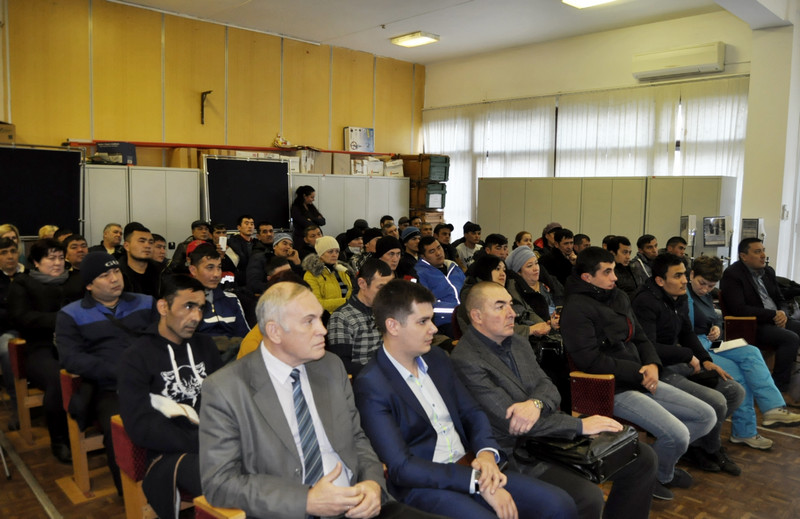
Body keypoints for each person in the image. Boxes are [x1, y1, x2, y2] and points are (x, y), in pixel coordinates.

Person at [199, 282, 440, 519]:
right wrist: (306, 500)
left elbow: (357, 439)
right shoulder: (226, 388)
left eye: (320, 318)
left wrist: (372, 484)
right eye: (309, 321)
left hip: (357, 504)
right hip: (291, 511)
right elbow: (219, 483)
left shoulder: (330, 366)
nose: (323, 330)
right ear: (275, 331)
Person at [354, 280, 579, 519]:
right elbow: (402, 466)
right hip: (425, 485)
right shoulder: (372, 384)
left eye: (431, 319)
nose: (433, 329)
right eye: (423, 321)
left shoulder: (437, 359)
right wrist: (476, 480)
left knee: (559, 504)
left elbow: (472, 412)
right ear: (393, 326)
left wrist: (486, 453)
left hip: (472, 464)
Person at [451, 282, 657, 519]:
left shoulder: (517, 341)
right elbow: (512, 423)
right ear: (477, 316)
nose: (512, 313)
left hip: (550, 434)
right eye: (500, 306)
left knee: (642, 457)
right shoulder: (466, 359)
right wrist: (579, 425)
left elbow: (548, 386)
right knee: (587, 497)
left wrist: (536, 403)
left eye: (510, 304)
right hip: (519, 452)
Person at [560, 247, 716, 500]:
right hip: (610, 387)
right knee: (677, 434)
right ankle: (654, 474)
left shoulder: (619, 296)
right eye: (607, 272)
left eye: (614, 270)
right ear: (587, 277)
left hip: (640, 376)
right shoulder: (575, 308)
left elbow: (641, 338)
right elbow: (590, 361)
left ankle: (653, 467)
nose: (615, 277)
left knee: (706, 416)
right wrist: (639, 372)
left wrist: (652, 364)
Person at [118, 275, 223, 519]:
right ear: (163, 307)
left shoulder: (205, 346)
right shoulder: (135, 357)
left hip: (215, 442)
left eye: (201, 308)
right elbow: (141, 425)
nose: (196, 317)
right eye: (188, 306)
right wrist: (203, 441)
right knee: (229, 482)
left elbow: (224, 399)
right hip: (168, 454)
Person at [632, 253, 744, 476]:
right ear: (660, 280)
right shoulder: (644, 302)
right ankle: (711, 449)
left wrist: (706, 360)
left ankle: (697, 446)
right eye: (678, 276)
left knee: (734, 391)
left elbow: (686, 332)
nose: (685, 280)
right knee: (717, 401)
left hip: (677, 362)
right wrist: (686, 355)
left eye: (684, 274)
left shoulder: (679, 297)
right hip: (657, 368)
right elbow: (648, 347)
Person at [56, 251, 158, 492]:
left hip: (155, 379)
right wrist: (118, 371)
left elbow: (163, 338)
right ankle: (132, 494)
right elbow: (71, 358)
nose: (114, 279)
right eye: (104, 275)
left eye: (116, 271)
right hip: (110, 387)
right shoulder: (71, 314)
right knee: (121, 428)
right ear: (89, 285)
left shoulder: (146, 303)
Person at [689, 256, 800, 450]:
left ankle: (773, 408)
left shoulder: (705, 296)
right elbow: (684, 331)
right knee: (739, 374)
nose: (705, 289)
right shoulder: (684, 296)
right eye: (702, 283)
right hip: (695, 346)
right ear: (691, 275)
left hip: (711, 342)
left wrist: (717, 328)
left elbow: (715, 318)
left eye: (710, 286)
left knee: (751, 352)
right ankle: (744, 432)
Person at [7, 239, 84, 463]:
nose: (57, 263)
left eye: (60, 258)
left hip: (75, 343)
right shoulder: (23, 283)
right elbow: (20, 317)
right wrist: (62, 319)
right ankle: (59, 440)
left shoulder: (75, 281)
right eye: (51, 258)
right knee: (58, 379)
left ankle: (89, 426)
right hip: (39, 347)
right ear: (36, 262)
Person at [720, 237, 800, 400]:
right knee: (790, 338)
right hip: (752, 325)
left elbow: (780, 299)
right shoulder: (732, 275)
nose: (763, 255)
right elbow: (739, 309)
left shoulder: (768, 271)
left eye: (763, 251)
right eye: (757, 252)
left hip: (775, 319)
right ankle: (778, 389)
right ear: (743, 256)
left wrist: (782, 313)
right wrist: (773, 315)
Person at [328, 259, 394, 376]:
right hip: (363, 378)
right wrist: (378, 372)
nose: (387, 293)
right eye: (380, 287)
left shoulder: (389, 311)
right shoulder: (341, 317)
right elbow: (341, 363)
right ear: (362, 284)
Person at [187, 242, 250, 360]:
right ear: (193, 270)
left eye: (219, 267)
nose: (217, 274)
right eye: (210, 268)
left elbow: (246, 337)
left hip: (234, 360)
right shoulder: (185, 303)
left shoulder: (231, 299)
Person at [415, 236, 466, 338]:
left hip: (465, 317)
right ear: (423, 257)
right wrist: (457, 311)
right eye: (432, 251)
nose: (438, 253)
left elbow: (468, 291)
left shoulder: (454, 268)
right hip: (443, 322)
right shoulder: (420, 273)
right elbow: (426, 304)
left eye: (439, 248)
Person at [0, 237, 24, 430]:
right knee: (7, 350)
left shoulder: (28, 274)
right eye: (4, 253)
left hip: (32, 328)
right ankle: (18, 406)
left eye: (13, 251)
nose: (10, 256)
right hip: (6, 330)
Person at [301, 235, 355, 313]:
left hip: (347, 314)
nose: (334, 255)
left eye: (337, 251)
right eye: (330, 251)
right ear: (321, 254)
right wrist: (345, 302)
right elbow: (315, 303)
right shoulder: (311, 275)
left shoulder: (343, 270)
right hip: (326, 317)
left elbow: (352, 293)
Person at [119, 222, 161, 297]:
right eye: (142, 241)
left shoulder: (162, 272)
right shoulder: (116, 275)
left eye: (151, 242)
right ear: (126, 246)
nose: (147, 246)